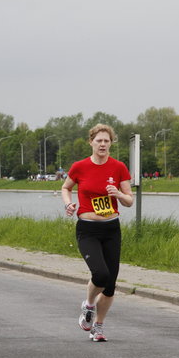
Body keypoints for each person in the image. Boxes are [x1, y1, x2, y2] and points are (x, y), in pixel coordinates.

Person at [61, 124, 133, 342]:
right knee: (100, 274)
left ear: (111, 143)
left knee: (110, 284)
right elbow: (66, 187)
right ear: (91, 142)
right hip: (88, 229)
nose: (103, 144)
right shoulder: (80, 167)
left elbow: (129, 201)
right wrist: (68, 204)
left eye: (106, 141)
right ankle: (89, 304)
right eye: (99, 140)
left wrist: (119, 194)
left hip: (111, 228)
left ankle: (98, 327)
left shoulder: (118, 167)